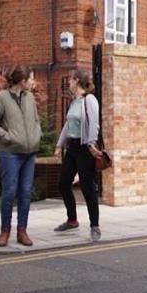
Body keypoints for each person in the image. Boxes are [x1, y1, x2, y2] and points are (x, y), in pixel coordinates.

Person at [0, 65, 42, 248]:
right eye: (31, 79)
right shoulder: (2, 98)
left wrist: (37, 134)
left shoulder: (29, 97)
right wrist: (7, 136)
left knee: (25, 193)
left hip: (29, 153)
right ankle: (5, 231)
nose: (33, 82)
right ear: (22, 81)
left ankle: (22, 231)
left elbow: (36, 120)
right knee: (9, 193)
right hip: (10, 153)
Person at [54, 69, 102, 242]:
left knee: (88, 187)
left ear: (77, 81)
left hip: (84, 147)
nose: (69, 83)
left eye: (71, 80)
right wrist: (59, 144)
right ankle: (72, 220)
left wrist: (91, 144)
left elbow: (94, 124)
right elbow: (68, 125)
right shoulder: (74, 101)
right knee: (63, 183)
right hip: (72, 147)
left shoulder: (89, 100)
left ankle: (94, 225)